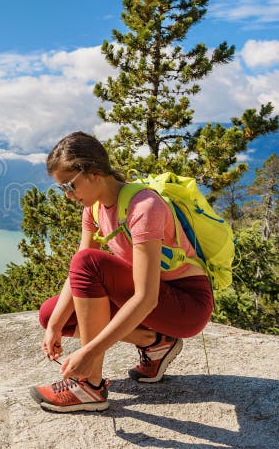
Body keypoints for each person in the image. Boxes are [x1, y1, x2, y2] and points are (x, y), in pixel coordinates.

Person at [29, 131, 214, 413]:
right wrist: (54, 325)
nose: (67, 195)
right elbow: (77, 273)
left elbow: (145, 298)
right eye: (61, 189)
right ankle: (155, 344)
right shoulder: (93, 209)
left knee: (89, 262)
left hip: (186, 305)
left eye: (69, 185)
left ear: (92, 173)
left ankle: (88, 386)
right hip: (155, 304)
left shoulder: (144, 207)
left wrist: (88, 354)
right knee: (53, 314)